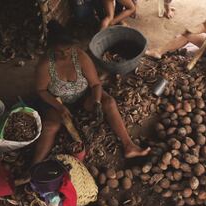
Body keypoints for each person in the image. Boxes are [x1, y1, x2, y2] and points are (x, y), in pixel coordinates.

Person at [33, 20, 150, 165]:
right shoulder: (45, 65)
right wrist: (60, 107)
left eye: (68, 50)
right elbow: (41, 91)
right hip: (58, 101)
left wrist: (97, 102)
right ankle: (33, 167)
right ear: (51, 49)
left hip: (83, 97)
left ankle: (129, 145)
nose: (65, 54)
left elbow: (95, 84)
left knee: (109, 102)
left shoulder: (80, 57)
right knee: (51, 126)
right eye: (59, 52)